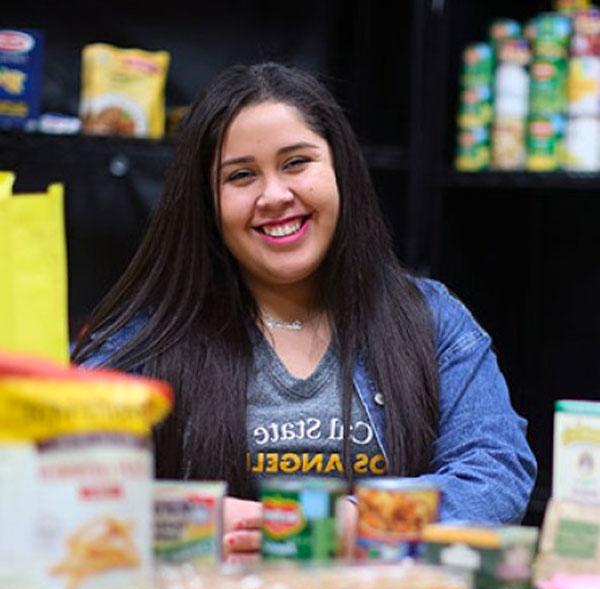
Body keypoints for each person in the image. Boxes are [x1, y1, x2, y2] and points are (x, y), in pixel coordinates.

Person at [72, 61, 537, 559]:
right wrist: (194, 515)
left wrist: (355, 524)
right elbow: (74, 477)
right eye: (241, 175)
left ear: (339, 169)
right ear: (207, 204)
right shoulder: (145, 337)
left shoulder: (431, 319)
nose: (275, 196)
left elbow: (495, 471)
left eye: (296, 163)